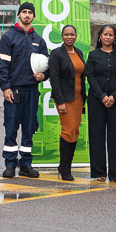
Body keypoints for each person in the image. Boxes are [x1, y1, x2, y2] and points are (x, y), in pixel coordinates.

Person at [0, 2, 49, 178]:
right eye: (24, 12)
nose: (27, 15)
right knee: (11, 127)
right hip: (14, 90)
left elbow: (47, 65)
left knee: (29, 127)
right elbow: (2, 65)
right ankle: (10, 164)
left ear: (33, 16)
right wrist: (6, 87)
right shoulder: (8, 37)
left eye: (30, 12)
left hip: (32, 91)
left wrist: (44, 76)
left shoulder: (39, 40)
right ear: (19, 15)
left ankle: (26, 164)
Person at [85, 25, 116, 183]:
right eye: (105, 34)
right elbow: (90, 76)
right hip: (97, 100)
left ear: (115, 37)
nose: (108, 37)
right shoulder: (93, 55)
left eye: (111, 35)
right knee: (96, 135)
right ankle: (99, 172)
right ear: (100, 36)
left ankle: (114, 173)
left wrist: (115, 96)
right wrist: (102, 96)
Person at [48, 25, 86, 181]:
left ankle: (67, 165)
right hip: (65, 99)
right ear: (62, 36)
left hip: (79, 98)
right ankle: (64, 167)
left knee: (75, 131)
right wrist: (60, 101)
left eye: (72, 34)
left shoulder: (79, 52)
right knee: (68, 131)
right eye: (66, 34)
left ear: (76, 36)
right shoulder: (56, 53)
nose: (69, 37)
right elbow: (54, 79)